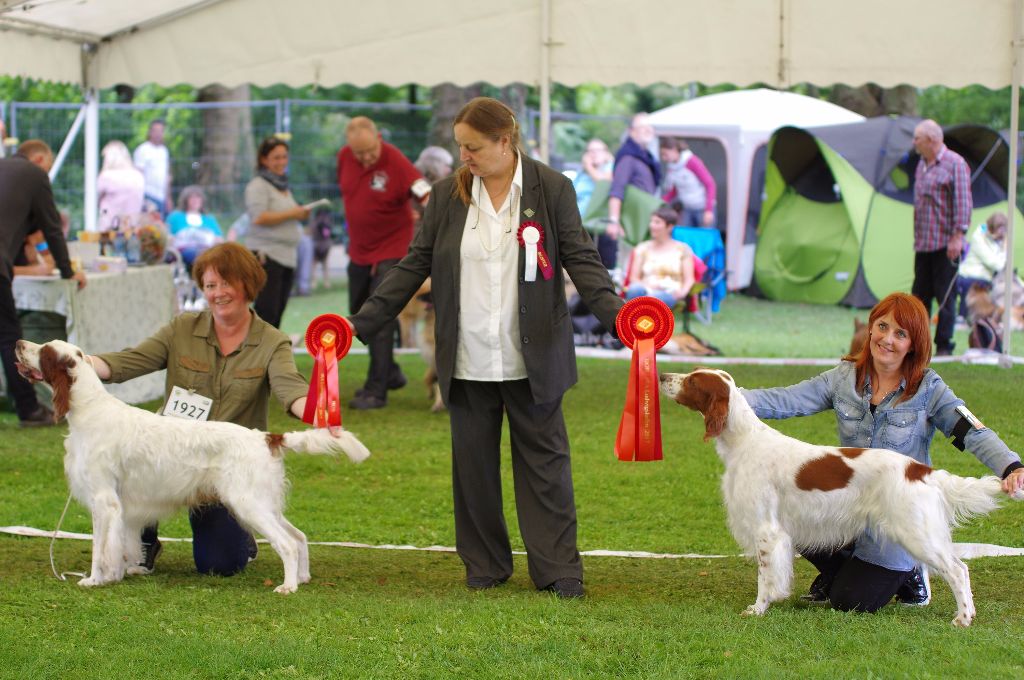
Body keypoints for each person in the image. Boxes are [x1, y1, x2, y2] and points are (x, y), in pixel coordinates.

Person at [347, 97, 623, 598]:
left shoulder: (552, 188)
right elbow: (413, 266)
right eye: (460, 147)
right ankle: (485, 564)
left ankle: (558, 568)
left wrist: (620, 319)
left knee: (546, 468)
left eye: (473, 147)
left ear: (505, 141)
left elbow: (582, 260)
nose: (465, 157)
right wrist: (359, 324)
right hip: (468, 354)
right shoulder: (446, 195)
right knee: (472, 469)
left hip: (533, 357)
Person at [741, 292, 1024, 613]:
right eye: (882, 326)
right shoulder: (844, 378)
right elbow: (786, 400)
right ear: (871, 328)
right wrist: (728, 395)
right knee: (795, 510)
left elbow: (972, 430)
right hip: (847, 505)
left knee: (849, 601)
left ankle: (911, 573)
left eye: (901, 334)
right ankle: (837, 571)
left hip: (897, 510)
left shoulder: (929, 388)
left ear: (913, 344)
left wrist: (1011, 466)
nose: (888, 339)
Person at [87, 242, 310, 576]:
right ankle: (143, 543)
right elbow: (129, 362)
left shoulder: (271, 341)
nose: (218, 293)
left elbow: (289, 387)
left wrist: (316, 412)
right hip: (171, 456)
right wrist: (73, 363)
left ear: (247, 285)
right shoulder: (182, 329)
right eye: (209, 285)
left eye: (226, 283)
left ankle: (240, 531)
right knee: (136, 457)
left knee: (219, 565)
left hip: (225, 461)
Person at [336, 116, 430, 410]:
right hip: (359, 250)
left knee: (378, 316)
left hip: (392, 247)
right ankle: (390, 372)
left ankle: (375, 390)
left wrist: (432, 213)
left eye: (370, 152)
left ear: (379, 138)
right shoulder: (344, 158)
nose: (365, 159)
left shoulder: (395, 160)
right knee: (358, 313)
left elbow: (423, 191)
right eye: (359, 154)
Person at [0, 139, 87, 426]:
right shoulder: (35, 176)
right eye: (48, 169)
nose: (46, 176)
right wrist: (67, 271)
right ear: (39, 161)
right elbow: (52, 227)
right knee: (8, 336)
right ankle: (29, 409)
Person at [911, 119, 972, 357]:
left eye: (917, 138)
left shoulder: (955, 164)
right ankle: (917, 345)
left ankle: (944, 345)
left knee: (945, 296)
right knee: (919, 297)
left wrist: (958, 237)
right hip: (923, 243)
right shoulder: (921, 164)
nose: (914, 142)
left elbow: (963, 203)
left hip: (946, 244)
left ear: (932, 140)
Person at [244, 136, 309, 328]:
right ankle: (257, 355)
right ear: (264, 159)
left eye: (284, 157)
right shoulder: (258, 186)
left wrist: (299, 214)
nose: (281, 162)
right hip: (267, 256)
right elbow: (258, 217)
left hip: (287, 256)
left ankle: (270, 354)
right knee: (267, 311)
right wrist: (292, 213)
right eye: (276, 157)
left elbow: (285, 214)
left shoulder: (282, 187)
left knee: (277, 311)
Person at [604, 113, 661, 269]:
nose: (647, 130)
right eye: (642, 127)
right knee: (629, 267)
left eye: (650, 127)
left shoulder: (645, 157)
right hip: (630, 223)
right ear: (631, 131)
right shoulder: (628, 157)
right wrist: (614, 221)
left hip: (642, 221)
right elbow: (617, 189)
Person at [624, 204, 695, 307]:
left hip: (670, 291)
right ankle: (635, 318)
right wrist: (649, 286)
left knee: (654, 298)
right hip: (645, 288)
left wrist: (683, 292)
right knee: (634, 289)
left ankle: (633, 319)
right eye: (651, 221)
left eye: (657, 222)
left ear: (669, 227)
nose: (652, 225)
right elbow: (634, 278)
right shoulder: (642, 248)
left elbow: (689, 279)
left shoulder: (683, 249)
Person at [956, 211, 1007, 319]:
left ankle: (996, 317)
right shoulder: (979, 237)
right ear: (992, 227)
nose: (1003, 232)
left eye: (1004, 228)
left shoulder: (999, 241)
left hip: (987, 278)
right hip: (969, 275)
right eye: (1000, 228)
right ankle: (962, 317)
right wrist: (1004, 249)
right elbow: (995, 264)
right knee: (972, 284)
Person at [659, 136, 717, 228]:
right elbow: (675, 190)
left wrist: (708, 210)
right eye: (662, 155)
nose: (664, 158)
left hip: (702, 208)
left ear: (674, 150)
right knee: (687, 237)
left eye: (665, 154)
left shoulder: (692, 161)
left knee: (704, 237)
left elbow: (710, 184)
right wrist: (661, 201)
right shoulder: (672, 168)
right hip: (687, 209)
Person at [166, 185, 223, 267]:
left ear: (202, 200)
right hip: (185, 251)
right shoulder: (175, 217)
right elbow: (168, 238)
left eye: (198, 198)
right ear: (186, 200)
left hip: (207, 250)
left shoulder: (209, 219)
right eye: (192, 198)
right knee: (197, 254)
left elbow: (219, 240)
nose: (195, 200)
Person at [97, 140, 145, 230]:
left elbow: (96, 199)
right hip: (133, 225)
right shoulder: (138, 176)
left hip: (110, 226)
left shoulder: (106, 176)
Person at [133, 119, 172, 219]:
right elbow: (138, 175)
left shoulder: (164, 151)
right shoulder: (143, 149)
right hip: (148, 195)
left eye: (161, 131)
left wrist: (168, 198)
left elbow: (167, 176)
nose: (158, 134)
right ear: (150, 132)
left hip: (162, 196)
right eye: (155, 130)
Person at [572, 138, 614, 216]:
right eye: (590, 151)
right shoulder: (582, 173)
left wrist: (588, 165)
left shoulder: (610, 167)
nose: (594, 153)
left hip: (593, 220)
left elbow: (603, 184)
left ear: (606, 153)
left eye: (598, 150)